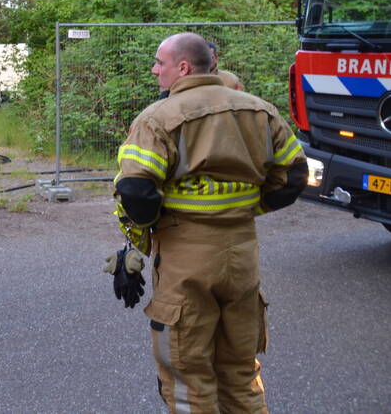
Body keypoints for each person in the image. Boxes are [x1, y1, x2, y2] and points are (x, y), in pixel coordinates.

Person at [112, 32, 307, 412]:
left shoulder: (159, 117)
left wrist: (149, 232)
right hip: (242, 255)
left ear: (183, 67)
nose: (154, 70)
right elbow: (294, 176)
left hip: (186, 259)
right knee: (240, 375)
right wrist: (247, 208)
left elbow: (136, 188)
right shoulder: (259, 110)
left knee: (188, 377)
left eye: (159, 63)